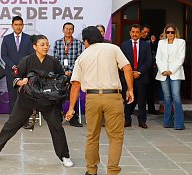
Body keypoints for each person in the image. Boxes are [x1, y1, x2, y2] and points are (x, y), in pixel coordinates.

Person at [0, 35, 73, 168]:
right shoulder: (26, 60)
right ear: (35, 47)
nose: (45, 47)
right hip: (27, 99)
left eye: (47, 44)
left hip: (48, 101)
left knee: (57, 127)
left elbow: (61, 77)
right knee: (11, 125)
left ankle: (64, 156)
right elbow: (16, 75)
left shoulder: (53, 61)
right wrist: (21, 81)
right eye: (42, 44)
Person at [65, 26, 134, 175]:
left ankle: (91, 170)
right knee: (115, 137)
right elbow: (127, 68)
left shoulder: (82, 56)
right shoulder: (113, 49)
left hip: (92, 98)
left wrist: (71, 108)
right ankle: (113, 171)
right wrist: (130, 90)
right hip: (113, 97)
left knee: (92, 136)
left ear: (86, 41)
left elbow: (75, 84)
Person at [1, 16, 34, 129]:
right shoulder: (6, 38)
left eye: (20, 24)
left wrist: (22, 67)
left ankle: (24, 121)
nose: (18, 27)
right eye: (16, 24)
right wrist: (14, 66)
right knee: (12, 96)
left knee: (24, 97)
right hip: (11, 72)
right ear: (12, 25)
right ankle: (13, 120)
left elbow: (31, 55)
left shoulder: (29, 38)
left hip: (24, 72)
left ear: (23, 25)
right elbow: (4, 55)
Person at [121, 24, 152, 129]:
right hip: (128, 77)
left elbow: (149, 61)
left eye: (137, 32)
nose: (135, 34)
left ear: (140, 33)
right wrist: (130, 73)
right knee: (128, 99)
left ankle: (142, 121)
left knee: (142, 101)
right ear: (130, 33)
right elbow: (122, 61)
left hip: (141, 77)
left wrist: (139, 72)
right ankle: (127, 120)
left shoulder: (146, 45)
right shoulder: (124, 45)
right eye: (133, 32)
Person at [155, 23, 186, 130]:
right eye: (168, 32)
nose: (170, 34)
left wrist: (171, 70)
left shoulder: (181, 42)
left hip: (175, 73)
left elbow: (181, 58)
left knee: (176, 97)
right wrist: (163, 70)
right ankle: (167, 122)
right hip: (163, 73)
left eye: (172, 32)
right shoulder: (161, 43)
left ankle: (179, 124)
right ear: (165, 33)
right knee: (167, 98)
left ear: (175, 32)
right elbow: (158, 58)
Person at [54, 22, 83, 127]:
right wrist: (62, 71)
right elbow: (55, 59)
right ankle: (59, 116)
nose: (68, 31)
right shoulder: (57, 43)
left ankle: (73, 118)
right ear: (63, 30)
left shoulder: (78, 43)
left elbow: (79, 59)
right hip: (60, 75)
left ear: (73, 31)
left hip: (73, 74)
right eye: (66, 29)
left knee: (73, 95)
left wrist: (70, 70)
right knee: (58, 96)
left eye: (71, 29)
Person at [140, 25, 161, 115]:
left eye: (148, 32)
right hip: (137, 70)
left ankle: (151, 109)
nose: (146, 34)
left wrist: (152, 42)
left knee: (150, 90)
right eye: (144, 32)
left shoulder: (149, 42)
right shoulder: (136, 41)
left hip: (148, 70)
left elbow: (155, 50)